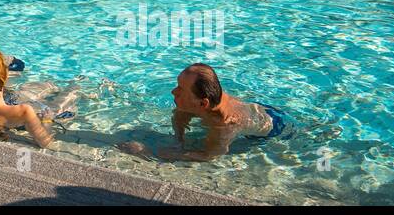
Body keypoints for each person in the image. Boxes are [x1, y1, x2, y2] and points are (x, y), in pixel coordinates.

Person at [118, 63, 289, 161]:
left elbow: (209, 156)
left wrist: (157, 153)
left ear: (202, 103)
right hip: (255, 108)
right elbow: (181, 113)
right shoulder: (202, 102)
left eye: (180, 90)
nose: (173, 92)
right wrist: (178, 139)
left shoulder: (224, 126)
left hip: (273, 128)